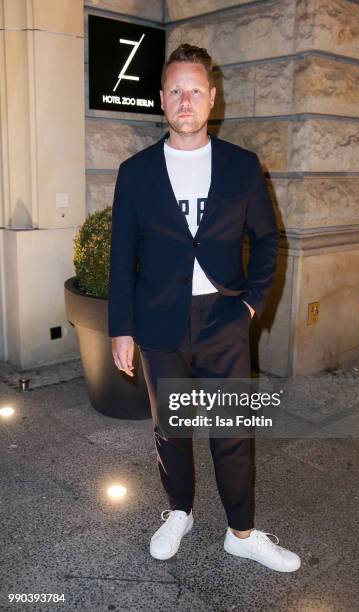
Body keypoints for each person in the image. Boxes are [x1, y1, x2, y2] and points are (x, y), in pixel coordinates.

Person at [108, 43, 301, 573]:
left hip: (223, 318)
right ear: (162, 100)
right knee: (170, 430)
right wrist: (120, 329)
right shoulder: (136, 172)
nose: (185, 100)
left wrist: (250, 306)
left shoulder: (241, 166)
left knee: (232, 431)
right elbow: (121, 257)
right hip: (160, 322)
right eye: (175, 91)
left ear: (212, 98)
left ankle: (241, 533)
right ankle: (179, 513)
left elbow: (267, 241)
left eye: (195, 90)